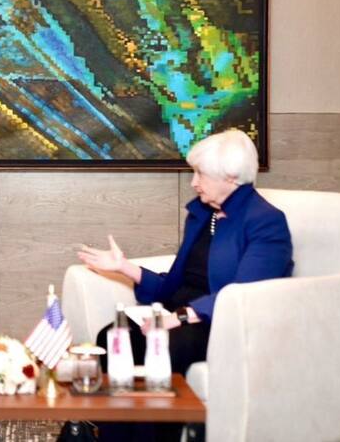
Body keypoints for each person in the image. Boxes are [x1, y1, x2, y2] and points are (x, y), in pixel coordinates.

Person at [77, 129, 293, 441]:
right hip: (182, 314)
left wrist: (176, 318)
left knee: (166, 346)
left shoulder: (266, 222)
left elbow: (243, 294)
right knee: (112, 336)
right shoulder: (203, 216)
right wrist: (125, 268)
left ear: (230, 177)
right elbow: (176, 284)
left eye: (200, 174)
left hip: (221, 323)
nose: (193, 183)